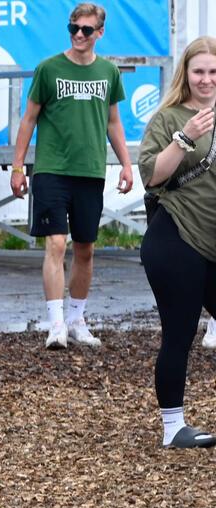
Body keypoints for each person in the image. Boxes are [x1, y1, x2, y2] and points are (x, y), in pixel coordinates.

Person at [9, 3, 134, 350]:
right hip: (52, 169)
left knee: (85, 249)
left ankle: (78, 319)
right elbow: (29, 119)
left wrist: (125, 163)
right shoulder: (49, 68)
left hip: (90, 170)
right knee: (56, 243)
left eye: (87, 30)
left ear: (100, 33)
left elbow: (113, 121)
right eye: (74, 28)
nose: (79, 34)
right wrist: (19, 167)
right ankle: (56, 323)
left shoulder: (109, 72)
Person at [138, 36, 216, 448]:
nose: (206, 79)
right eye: (199, 71)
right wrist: (184, 137)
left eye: (213, 71)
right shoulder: (168, 117)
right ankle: (173, 428)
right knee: (179, 332)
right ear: (186, 73)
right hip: (176, 238)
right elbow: (152, 176)